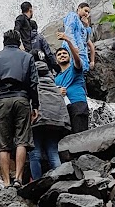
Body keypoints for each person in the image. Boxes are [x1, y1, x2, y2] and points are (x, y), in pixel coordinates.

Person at [0, 29, 39, 189]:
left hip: (2, 101)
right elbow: (34, 83)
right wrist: (35, 105)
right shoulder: (27, 57)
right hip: (22, 99)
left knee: (3, 144)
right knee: (22, 140)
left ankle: (6, 182)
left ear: (4, 42)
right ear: (19, 41)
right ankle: (19, 180)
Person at [28, 48, 71, 183]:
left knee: (35, 153)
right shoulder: (51, 75)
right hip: (56, 118)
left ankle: (36, 182)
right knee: (53, 151)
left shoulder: (28, 73)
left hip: (38, 117)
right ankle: (60, 182)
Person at [54, 34, 89, 134]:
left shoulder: (75, 68)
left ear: (69, 56)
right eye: (59, 54)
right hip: (63, 109)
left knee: (80, 135)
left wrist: (68, 41)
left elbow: (77, 60)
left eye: (65, 53)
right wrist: (57, 91)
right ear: (56, 61)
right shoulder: (56, 78)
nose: (62, 55)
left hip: (78, 104)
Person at [63, 2, 94, 70]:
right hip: (73, 49)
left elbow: (86, 40)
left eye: (88, 13)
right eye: (85, 11)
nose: (86, 14)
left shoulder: (82, 24)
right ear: (79, 8)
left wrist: (87, 25)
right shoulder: (72, 16)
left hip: (81, 52)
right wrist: (74, 47)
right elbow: (69, 32)